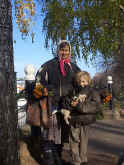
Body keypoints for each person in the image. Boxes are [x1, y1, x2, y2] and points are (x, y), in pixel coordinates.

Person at [35, 40, 81, 164]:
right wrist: (47, 93)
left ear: (69, 51)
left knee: (62, 135)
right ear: (58, 50)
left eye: (66, 50)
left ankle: (58, 158)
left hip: (66, 107)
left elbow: (82, 84)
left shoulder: (74, 68)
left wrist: (78, 97)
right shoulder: (48, 65)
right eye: (62, 50)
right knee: (49, 134)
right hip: (52, 106)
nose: (64, 52)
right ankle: (49, 160)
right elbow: (38, 81)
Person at [61, 71, 102, 165]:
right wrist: (70, 104)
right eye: (80, 81)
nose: (81, 84)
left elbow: (95, 106)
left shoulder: (93, 92)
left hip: (85, 120)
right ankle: (76, 161)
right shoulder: (74, 91)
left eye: (83, 81)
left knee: (84, 141)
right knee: (73, 141)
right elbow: (66, 101)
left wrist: (78, 105)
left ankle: (83, 160)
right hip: (74, 119)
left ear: (88, 81)